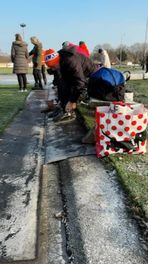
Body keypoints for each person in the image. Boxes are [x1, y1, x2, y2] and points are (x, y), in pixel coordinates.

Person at [45, 46, 97, 122]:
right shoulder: (59, 61)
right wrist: (60, 102)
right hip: (77, 74)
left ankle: (70, 112)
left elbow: (80, 82)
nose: (53, 69)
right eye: (51, 67)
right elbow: (60, 82)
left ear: (57, 61)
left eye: (53, 66)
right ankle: (63, 109)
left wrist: (72, 101)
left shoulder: (71, 61)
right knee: (62, 85)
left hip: (89, 74)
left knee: (73, 88)